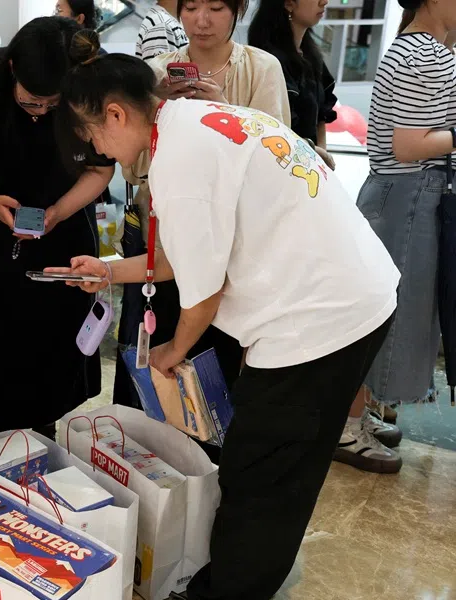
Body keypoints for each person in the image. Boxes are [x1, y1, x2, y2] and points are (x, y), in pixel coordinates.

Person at [52, 30, 399, 600]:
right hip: (347, 290)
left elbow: (202, 295)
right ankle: (234, 577)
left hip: (320, 318)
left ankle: (231, 588)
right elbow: (179, 255)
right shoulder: (193, 122)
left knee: (263, 472)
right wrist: (109, 270)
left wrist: (171, 353)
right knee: (267, 464)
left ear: (115, 114)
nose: (98, 150)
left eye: (92, 135)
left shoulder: (179, 160)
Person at [0, 17, 114, 438]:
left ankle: (46, 428)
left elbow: (101, 168)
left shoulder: (89, 85)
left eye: (53, 106)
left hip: (66, 229)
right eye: (32, 103)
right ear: (13, 68)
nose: (41, 114)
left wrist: (57, 211)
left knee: (55, 335)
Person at [125, 0, 290, 391]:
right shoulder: (155, 72)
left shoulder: (262, 68)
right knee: (160, 361)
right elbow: (134, 166)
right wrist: (157, 109)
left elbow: (277, 159)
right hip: (169, 234)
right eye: (192, 7)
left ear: (239, 9)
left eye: (216, 7)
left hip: (236, 244)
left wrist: (222, 111)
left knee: (219, 364)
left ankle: (213, 450)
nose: (201, 21)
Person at [341, 0, 456, 475]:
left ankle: (353, 417)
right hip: (407, 197)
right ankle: (345, 426)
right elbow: (408, 145)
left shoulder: (421, 48)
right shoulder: (424, 53)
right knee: (384, 316)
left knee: (384, 312)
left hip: (404, 198)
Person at [249, 0, 339, 169]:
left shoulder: (310, 55)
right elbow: (273, 130)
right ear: (289, 4)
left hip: (309, 167)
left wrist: (321, 162)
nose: (324, 2)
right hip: (282, 165)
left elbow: (321, 115)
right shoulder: (269, 62)